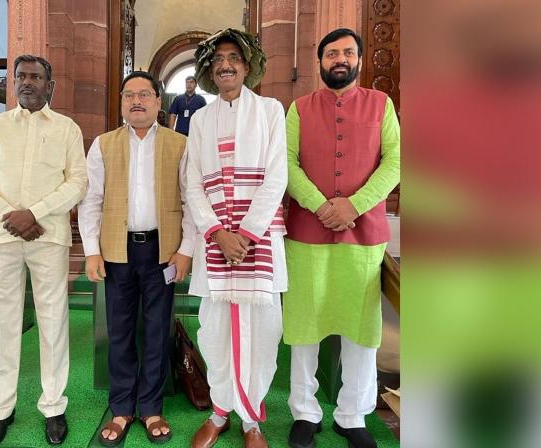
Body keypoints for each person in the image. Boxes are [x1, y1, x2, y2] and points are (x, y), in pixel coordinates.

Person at [0, 54, 88, 447]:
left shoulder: (67, 129)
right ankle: (0, 408)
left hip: (48, 238)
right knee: (1, 324)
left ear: (50, 86)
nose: (28, 82)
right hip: (1, 238)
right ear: (13, 83)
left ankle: (53, 406)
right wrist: (9, 215)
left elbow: (78, 182)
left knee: (53, 322)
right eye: (22, 76)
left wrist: (34, 213)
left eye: (36, 77)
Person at [284, 28, 401, 448]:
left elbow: (395, 163)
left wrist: (353, 205)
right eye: (331, 53)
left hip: (363, 234)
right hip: (307, 233)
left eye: (347, 52)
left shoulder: (381, 105)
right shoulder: (298, 108)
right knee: (304, 325)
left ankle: (352, 415)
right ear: (319, 62)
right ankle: (304, 411)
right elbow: (288, 163)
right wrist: (321, 206)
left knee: (361, 328)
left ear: (359, 60)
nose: (339, 59)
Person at [77, 70, 195, 446]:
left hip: (162, 250)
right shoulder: (103, 144)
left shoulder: (180, 144)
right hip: (116, 250)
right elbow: (90, 200)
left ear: (160, 103)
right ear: (122, 102)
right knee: (121, 329)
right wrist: (92, 251)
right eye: (130, 95)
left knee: (158, 330)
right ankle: (122, 407)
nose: (137, 101)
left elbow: (192, 201)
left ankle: (151, 407)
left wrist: (186, 249)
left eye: (145, 94)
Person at [185, 29, 288, 448]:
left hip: (258, 239)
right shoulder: (200, 119)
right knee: (213, 330)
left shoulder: (270, 110)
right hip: (215, 240)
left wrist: (244, 234)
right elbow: (193, 183)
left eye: (234, 57)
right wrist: (217, 233)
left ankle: (251, 421)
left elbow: (277, 175)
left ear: (247, 66)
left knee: (263, 331)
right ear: (211, 69)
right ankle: (220, 411)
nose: (225, 64)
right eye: (218, 59)